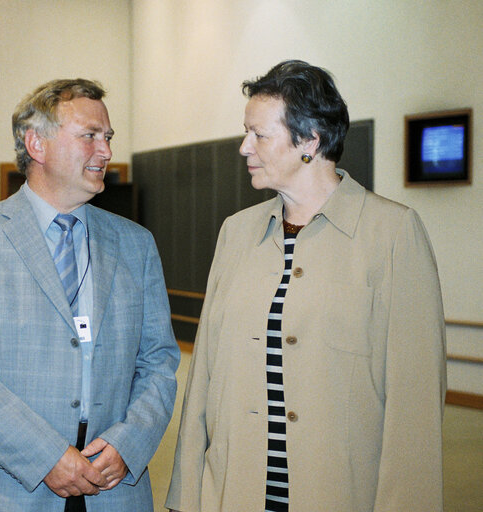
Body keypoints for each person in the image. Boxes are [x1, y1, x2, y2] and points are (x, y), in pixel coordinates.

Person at [165, 60, 446, 511]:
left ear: (310, 141)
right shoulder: (236, 233)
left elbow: (414, 408)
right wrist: (188, 494)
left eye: (259, 134)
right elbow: (203, 379)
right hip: (235, 493)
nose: (244, 147)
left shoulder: (393, 234)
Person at [0, 78, 180, 512]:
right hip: (5, 484)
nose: (106, 151)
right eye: (90, 137)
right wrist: (46, 456)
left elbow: (158, 362)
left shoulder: (136, 244)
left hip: (112, 485)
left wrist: (129, 443)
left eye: (109, 137)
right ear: (36, 144)